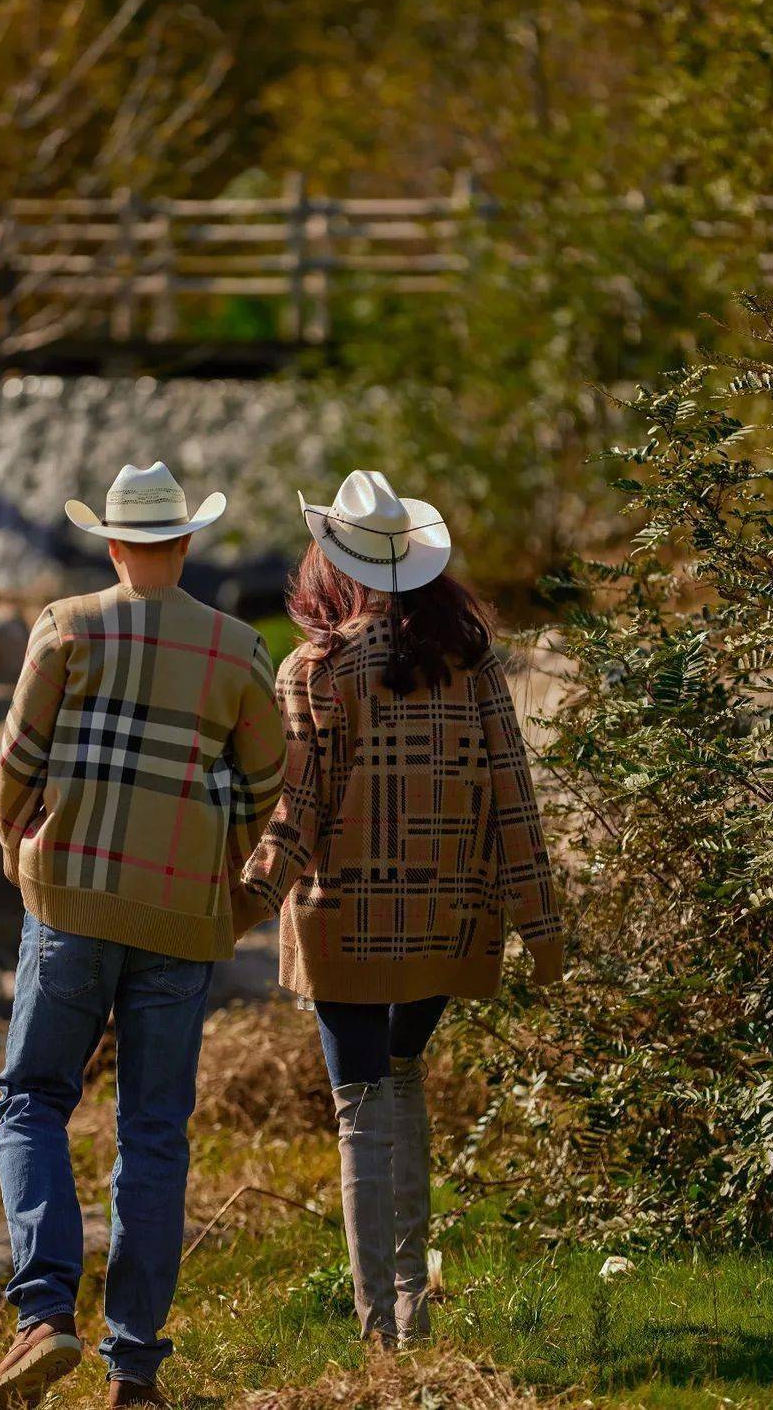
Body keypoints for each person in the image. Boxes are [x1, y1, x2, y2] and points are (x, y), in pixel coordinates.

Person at [232, 470, 564, 1347]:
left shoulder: (314, 670)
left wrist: (242, 902)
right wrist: (541, 921)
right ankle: (413, 1314)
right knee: (405, 1080)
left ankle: (381, 1331)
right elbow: (513, 794)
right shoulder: (472, 660)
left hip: (344, 916)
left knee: (358, 1107)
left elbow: (294, 810)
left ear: (332, 563)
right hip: (448, 915)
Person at [0, 462, 286, 1410]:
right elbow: (266, 787)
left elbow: (17, 760)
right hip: (181, 922)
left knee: (33, 1097)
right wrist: (224, 899)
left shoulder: (65, 626)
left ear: (111, 543)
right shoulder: (239, 650)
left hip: (68, 901)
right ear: (185, 544)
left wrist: (19, 851)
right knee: (153, 1132)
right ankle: (135, 1368)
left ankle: (42, 1315)